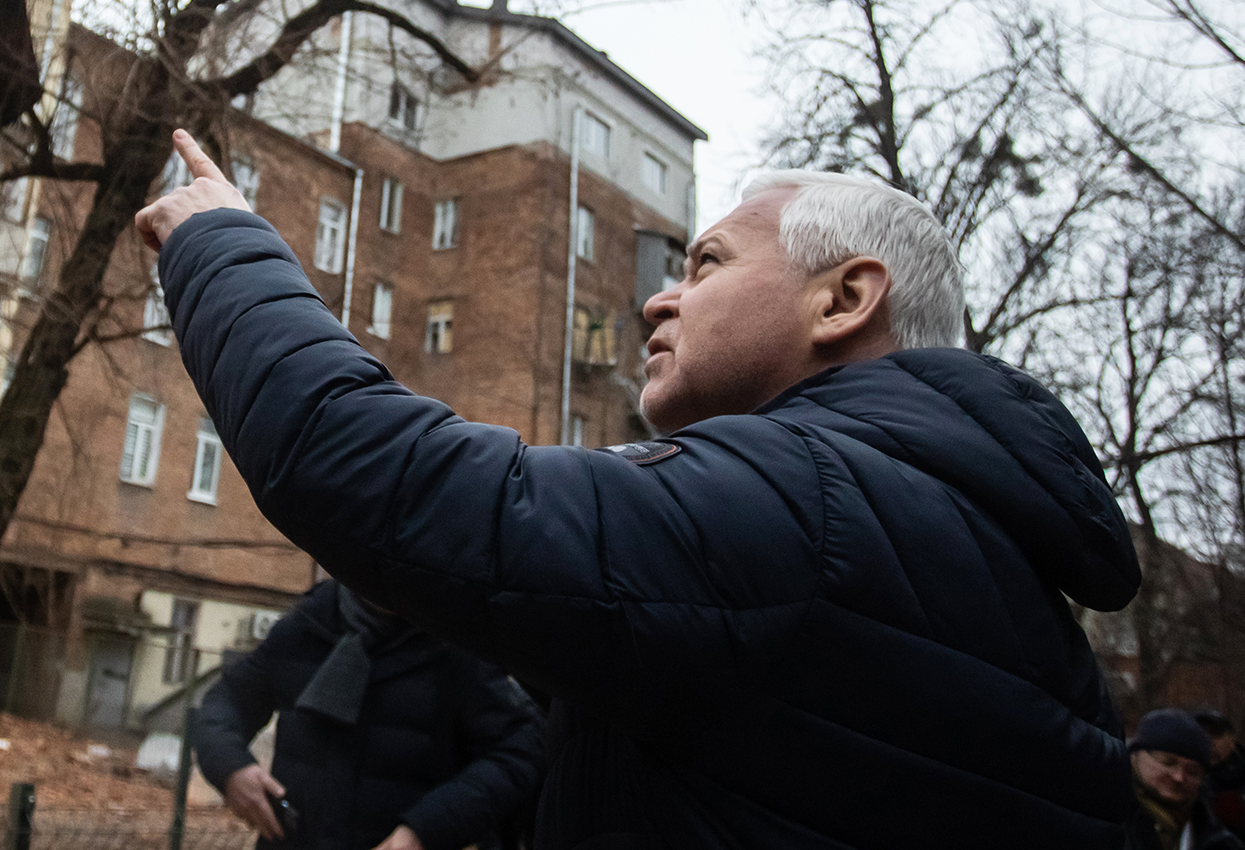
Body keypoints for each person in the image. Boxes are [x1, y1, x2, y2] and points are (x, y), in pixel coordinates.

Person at [136, 134, 1140, 847]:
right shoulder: (974, 556)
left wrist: (219, 243)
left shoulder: (804, 504)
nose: (660, 295)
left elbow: (376, 478)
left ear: (842, 298)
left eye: (705, 263)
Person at [192, 579, 543, 850]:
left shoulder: (457, 645)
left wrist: (426, 829)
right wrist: (230, 766)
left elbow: (523, 748)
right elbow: (226, 700)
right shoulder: (305, 626)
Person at [1126, 709, 1242, 849]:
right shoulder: (1106, 820)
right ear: (1135, 756)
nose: (1179, 777)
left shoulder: (1218, 838)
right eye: (1167, 762)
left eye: (1192, 771)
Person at [1196, 709, 1245, 835]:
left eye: (1215, 734)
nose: (1208, 741)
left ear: (1232, 739)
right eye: (1199, 734)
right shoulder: (1182, 780)